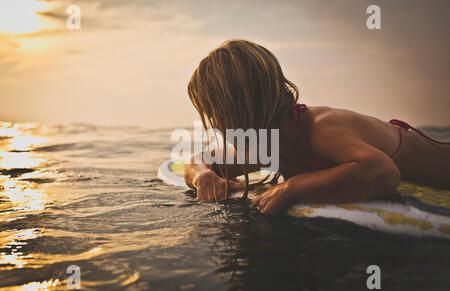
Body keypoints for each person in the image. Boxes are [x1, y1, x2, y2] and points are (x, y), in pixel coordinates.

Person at [184, 39, 450, 215]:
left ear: (244, 104)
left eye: (217, 113)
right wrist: (203, 176)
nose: (216, 124)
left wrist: (292, 188)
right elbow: (202, 159)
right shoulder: (271, 141)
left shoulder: (320, 128)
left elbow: (384, 173)